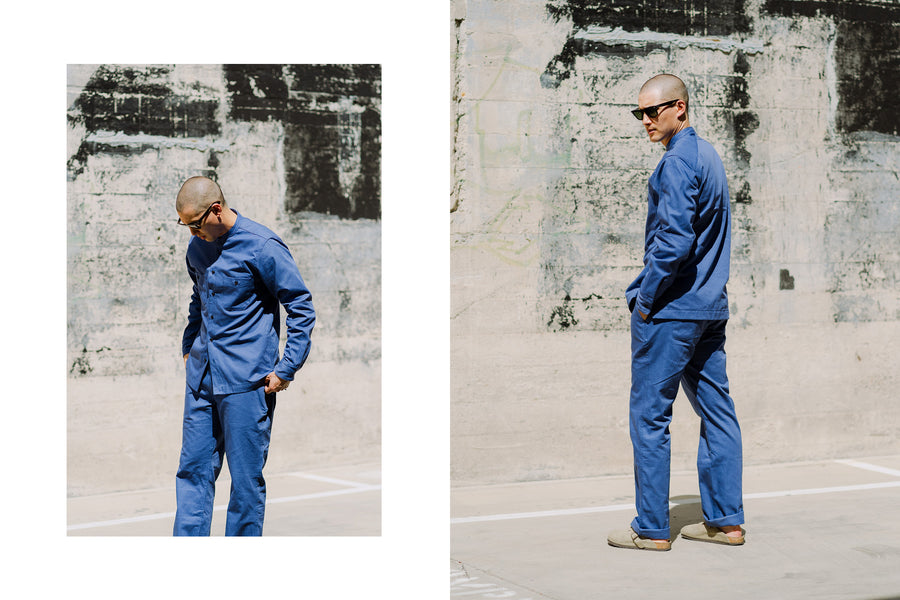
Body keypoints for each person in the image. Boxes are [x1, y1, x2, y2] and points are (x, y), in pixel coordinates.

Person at [607, 75, 745, 551]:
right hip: (709, 308)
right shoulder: (708, 156)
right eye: (639, 114)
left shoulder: (677, 162)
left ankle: (650, 528)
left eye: (653, 111)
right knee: (719, 413)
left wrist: (645, 300)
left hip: (671, 312)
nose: (645, 121)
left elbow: (674, 242)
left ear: (679, 109)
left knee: (649, 417)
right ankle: (726, 522)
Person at [173, 176, 315, 536]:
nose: (191, 233)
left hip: (247, 384)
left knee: (245, 482)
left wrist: (287, 368)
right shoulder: (198, 249)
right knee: (193, 472)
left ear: (216, 210)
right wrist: (190, 344)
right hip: (203, 379)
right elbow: (199, 298)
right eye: (184, 225)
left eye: (194, 224)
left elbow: (300, 305)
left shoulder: (262, 246)